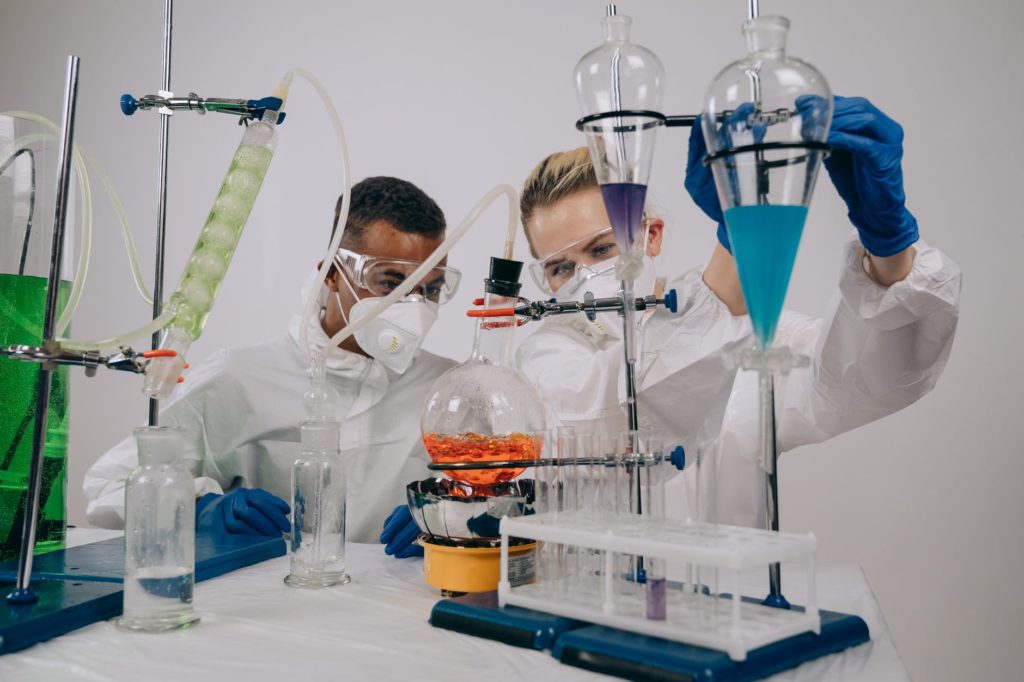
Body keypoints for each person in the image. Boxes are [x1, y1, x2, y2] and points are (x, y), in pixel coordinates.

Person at [516, 96, 962, 527]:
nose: (585, 276)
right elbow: (615, 416)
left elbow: (870, 377)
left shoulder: (754, 329)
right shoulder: (545, 354)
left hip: (733, 596)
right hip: (595, 598)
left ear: (650, 236)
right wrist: (738, 238)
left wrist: (889, 245)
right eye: (559, 267)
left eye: (601, 248)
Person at [84, 176, 459, 551]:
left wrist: (455, 515)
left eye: (432, 289)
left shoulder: (450, 390)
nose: (414, 308)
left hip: (398, 603)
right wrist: (200, 508)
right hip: (265, 603)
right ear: (331, 273)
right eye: (389, 282)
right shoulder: (240, 378)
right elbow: (110, 488)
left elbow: (505, 504)